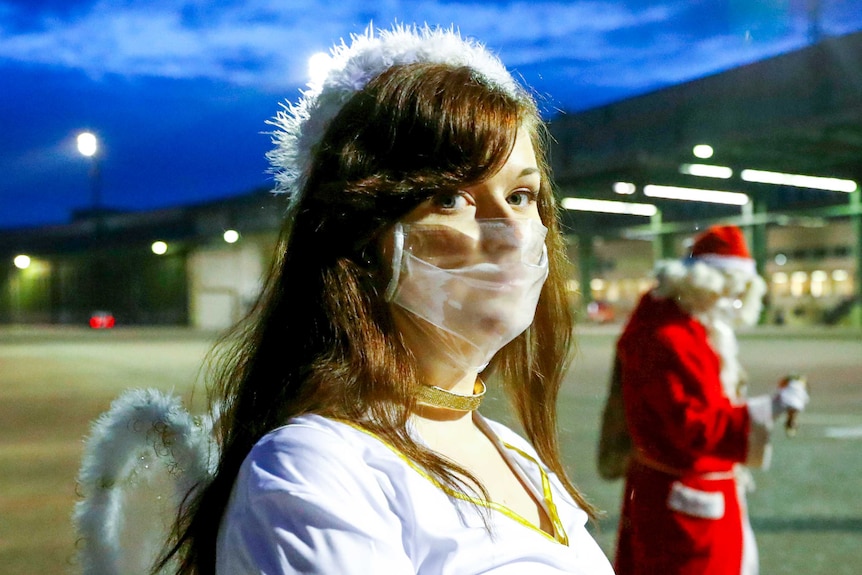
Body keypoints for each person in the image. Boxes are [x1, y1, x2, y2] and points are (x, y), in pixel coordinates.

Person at [157, 24, 615, 574]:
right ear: (361, 235)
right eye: (451, 199)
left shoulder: (514, 452)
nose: (512, 233)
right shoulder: (312, 471)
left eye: (521, 196)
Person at [611, 224, 809, 575]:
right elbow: (693, 426)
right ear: (704, 284)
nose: (731, 303)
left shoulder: (686, 324)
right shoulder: (669, 337)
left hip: (685, 494)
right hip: (683, 504)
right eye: (728, 291)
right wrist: (772, 407)